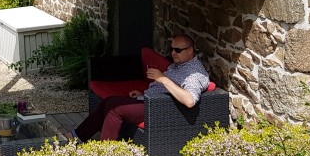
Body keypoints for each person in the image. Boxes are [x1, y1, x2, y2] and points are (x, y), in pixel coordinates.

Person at [73, 34, 210, 141]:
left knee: (114, 109)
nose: (173, 53)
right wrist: (143, 94)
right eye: (172, 49)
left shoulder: (194, 74)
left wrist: (162, 78)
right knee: (108, 102)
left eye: (178, 50)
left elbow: (190, 100)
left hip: (158, 109)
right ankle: (76, 136)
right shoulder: (179, 64)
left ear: (190, 50)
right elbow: (164, 88)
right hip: (148, 100)